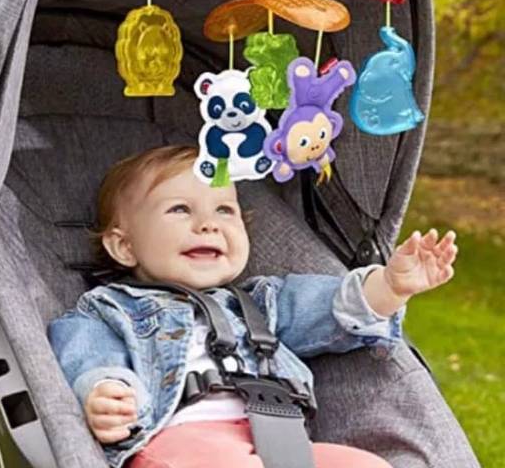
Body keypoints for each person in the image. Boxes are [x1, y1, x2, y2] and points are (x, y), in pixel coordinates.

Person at [48, 145, 458, 468]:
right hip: (182, 441)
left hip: (282, 439)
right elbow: (89, 356)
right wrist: (107, 391)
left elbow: (332, 309)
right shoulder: (111, 308)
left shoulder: (260, 302)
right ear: (124, 246)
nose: (208, 224)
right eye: (180, 209)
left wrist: (390, 285)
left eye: (224, 210)